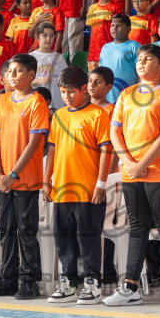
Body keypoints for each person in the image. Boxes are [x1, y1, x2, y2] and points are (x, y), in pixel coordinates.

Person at [105, 44, 160, 311]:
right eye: (139, 59)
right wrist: (130, 163)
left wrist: (141, 163)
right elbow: (114, 132)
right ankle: (130, 287)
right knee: (137, 228)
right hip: (131, 172)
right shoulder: (127, 94)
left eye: (148, 59)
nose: (141, 63)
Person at [0, 54, 50, 300]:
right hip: (3, 179)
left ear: (31, 75)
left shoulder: (37, 103)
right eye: (10, 70)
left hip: (26, 178)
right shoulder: (1, 102)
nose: (13, 75)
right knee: (6, 229)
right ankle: (7, 279)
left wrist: (13, 174)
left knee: (26, 230)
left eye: (18, 71)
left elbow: (34, 144)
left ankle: (30, 281)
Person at [43, 67, 112, 304]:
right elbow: (52, 149)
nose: (67, 97)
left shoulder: (98, 115)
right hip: (62, 187)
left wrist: (101, 184)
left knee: (88, 237)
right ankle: (69, 282)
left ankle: (93, 283)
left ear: (85, 89)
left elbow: (106, 151)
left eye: (71, 92)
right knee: (63, 238)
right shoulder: (59, 115)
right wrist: (46, 180)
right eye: (63, 92)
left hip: (88, 189)